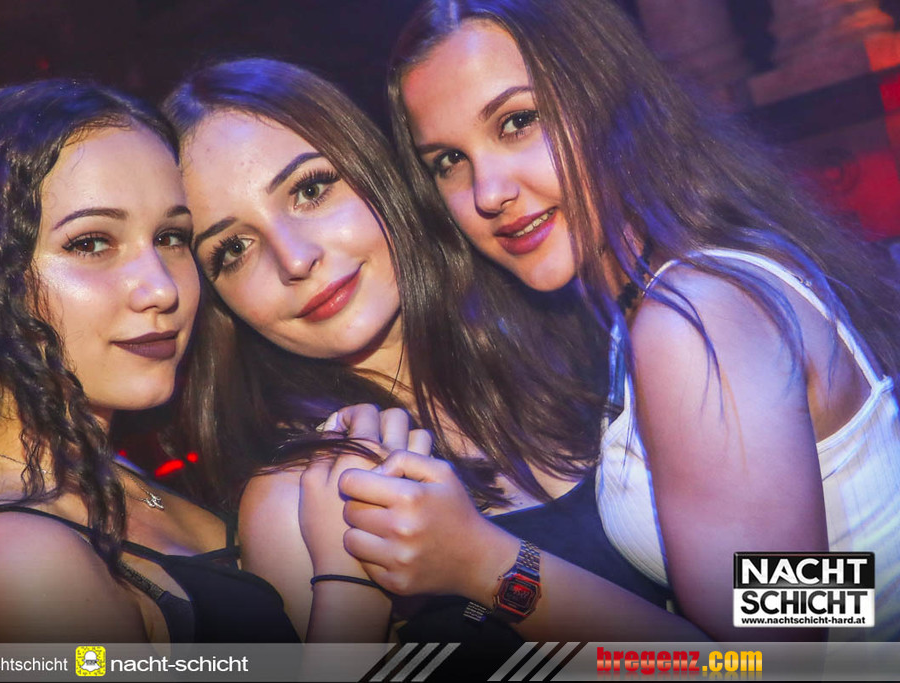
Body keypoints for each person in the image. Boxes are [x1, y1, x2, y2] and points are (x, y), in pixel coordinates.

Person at [379, 0, 900, 641]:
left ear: (606, 100)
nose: (488, 192)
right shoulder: (673, 289)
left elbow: (769, 662)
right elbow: (825, 598)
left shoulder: (695, 317)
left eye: (517, 122)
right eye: (448, 161)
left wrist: (486, 566)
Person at [163, 58, 705, 644]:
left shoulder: (595, 339)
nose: (294, 259)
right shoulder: (303, 502)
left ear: (377, 172)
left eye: (310, 190)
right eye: (234, 249)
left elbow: (767, 629)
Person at [0, 79, 297, 643]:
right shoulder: (18, 564)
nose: (161, 288)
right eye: (91, 243)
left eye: (171, 237)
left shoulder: (109, 477)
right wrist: (350, 595)